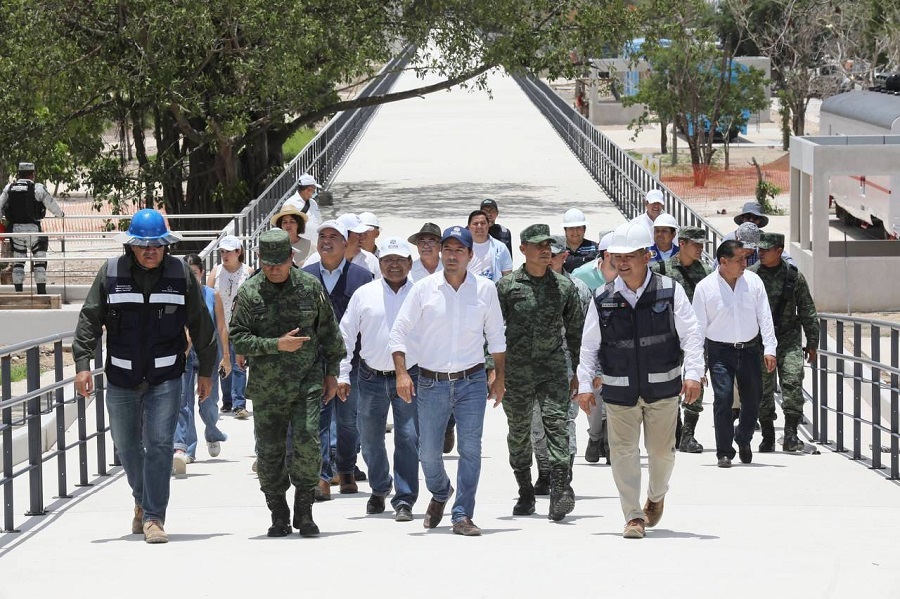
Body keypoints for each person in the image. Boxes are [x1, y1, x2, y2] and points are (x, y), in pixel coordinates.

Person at [72, 209, 216, 544]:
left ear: (166, 246)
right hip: (122, 376)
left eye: (157, 245)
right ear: (131, 246)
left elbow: (201, 324)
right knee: (125, 445)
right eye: (143, 245)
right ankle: (141, 498)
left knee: (160, 445)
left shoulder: (180, 274)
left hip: (166, 376)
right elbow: (90, 320)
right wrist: (82, 364)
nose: (150, 251)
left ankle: (153, 516)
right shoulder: (110, 273)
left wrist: (206, 372)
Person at [575, 221, 704, 539]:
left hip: (662, 390)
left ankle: (656, 496)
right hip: (619, 392)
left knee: (662, 454)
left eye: (629, 255)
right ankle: (633, 516)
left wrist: (693, 375)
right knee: (622, 454)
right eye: (616, 256)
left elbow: (691, 334)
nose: (621, 262)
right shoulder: (602, 297)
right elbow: (589, 345)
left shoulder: (670, 290)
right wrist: (583, 385)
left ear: (646, 255)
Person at [389, 225, 506, 536]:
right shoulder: (423, 289)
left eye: (459, 250)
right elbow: (398, 333)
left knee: (471, 448)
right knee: (427, 453)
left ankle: (462, 514)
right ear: (441, 253)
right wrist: (401, 373)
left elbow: (496, 337)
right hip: (430, 383)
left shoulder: (485, 290)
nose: (452, 255)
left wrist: (499, 376)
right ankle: (441, 491)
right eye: (448, 249)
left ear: (470, 255)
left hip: (471, 382)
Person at [230, 229, 346, 537]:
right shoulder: (250, 292)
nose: (274, 269)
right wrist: (274, 344)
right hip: (267, 388)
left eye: (279, 263)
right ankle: (278, 512)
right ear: (260, 260)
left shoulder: (310, 287)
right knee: (269, 451)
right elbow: (237, 337)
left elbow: (330, 333)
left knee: (308, 441)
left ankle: (304, 509)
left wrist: (332, 373)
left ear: (290, 258)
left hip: (306, 381)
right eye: (268, 264)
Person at [497, 225, 584, 521]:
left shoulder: (563, 287)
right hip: (516, 372)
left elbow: (576, 334)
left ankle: (560, 488)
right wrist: (492, 371)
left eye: (548, 245)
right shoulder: (507, 287)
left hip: (552, 369)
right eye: (538, 245)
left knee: (557, 426)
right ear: (523, 249)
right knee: (519, 433)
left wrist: (579, 372)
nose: (545, 250)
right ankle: (525, 491)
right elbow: (493, 333)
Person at [338, 237, 420, 522]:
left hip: (411, 376)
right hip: (371, 376)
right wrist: (342, 373)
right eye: (387, 260)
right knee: (371, 439)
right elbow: (346, 335)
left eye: (399, 260)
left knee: (408, 437)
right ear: (379, 263)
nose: (394, 265)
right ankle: (379, 487)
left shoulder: (422, 292)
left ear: (410, 263)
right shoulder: (364, 294)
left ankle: (405, 498)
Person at [303, 220, 373, 500]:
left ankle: (345, 469)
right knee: (317, 420)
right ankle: (321, 475)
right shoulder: (305, 276)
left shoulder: (362, 277)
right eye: (322, 236)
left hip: (352, 363)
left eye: (334, 236)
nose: (327, 241)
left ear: (347, 244)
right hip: (314, 362)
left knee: (347, 421)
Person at [692, 239, 777, 468]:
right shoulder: (705, 288)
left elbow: (765, 316)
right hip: (719, 351)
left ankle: (743, 438)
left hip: (749, 349)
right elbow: (697, 329)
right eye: (740, 259)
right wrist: (696, 366)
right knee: (723, 399)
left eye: (746, 258)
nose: (745, 263)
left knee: (753, 400)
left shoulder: (754, 282)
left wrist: (770, 348)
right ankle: (724, 452)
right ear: (723, 261)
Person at [749, 232, 819, 453]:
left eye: (766, 249)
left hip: (788, 339)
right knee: (763, 389)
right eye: (760, 248)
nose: (761, 252)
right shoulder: (751, 276)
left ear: (779, 251)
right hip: (760, 341)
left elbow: (807, 309)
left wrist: (813, 341)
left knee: (793, 382)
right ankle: (768, 435)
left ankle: (790, 434)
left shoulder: (793, 277)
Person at [651, 226, 713, 454]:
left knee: (696, 379)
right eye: (696, 244)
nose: (700, 249)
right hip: (666, 336)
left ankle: (688, 435)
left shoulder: (705, 271)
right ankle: (674, 431)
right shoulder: (662, 269)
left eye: (702, 245)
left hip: (695, 336)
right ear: (683, 243)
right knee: (669, 384)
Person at [173, 255, 231, 474]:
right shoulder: (177, 296)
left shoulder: (211, 295)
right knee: (182, 401)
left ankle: (212, 431)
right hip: (186, 355)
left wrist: (226, 356)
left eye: (194, 271)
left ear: (201, 273)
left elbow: (222, 328)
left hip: (208, 354)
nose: (191, 275)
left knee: (208, 403)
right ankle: (184, 449)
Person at [0, 161, 65, 294]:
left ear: (19, 174)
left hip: (15, 232)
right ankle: (41, 293)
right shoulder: (38, 188)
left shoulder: (9, 188)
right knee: (40, 262)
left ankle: (18, 293)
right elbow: (52, 205)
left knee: (18, 264)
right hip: (34, 230)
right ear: (32, 174)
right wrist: (61, 215)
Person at [207, 235, 252, 418]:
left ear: (238, 252)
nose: (225, 255)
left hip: (241, 324)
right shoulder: (216, 271)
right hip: (220, 323)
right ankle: (227, 401)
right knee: (224, 361)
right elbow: (208, 296)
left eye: (229, 252)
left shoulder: (248, 272)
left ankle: (239, 403)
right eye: (222, 252)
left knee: (239, 363)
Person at [304, 213, 380, 277]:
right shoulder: (315, 260)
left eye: (363, 234)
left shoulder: (371, 262)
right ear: (344, 236)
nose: (363, 239)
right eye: (359, 234)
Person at [466, 209, 513, 282]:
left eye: (483, 223)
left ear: (488, 225)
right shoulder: (462, 247)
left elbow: (507, 276)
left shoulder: (500, 247)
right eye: (475, 223)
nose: (479, 226)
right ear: (469, 227)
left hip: (492, 291)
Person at [284, 173, 324, 241]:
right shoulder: (289, 204)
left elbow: (318, 222)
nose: (315, 192)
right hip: (299, 246)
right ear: (309, 189)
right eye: (314, 189)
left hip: (314, 244)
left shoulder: (313, 203)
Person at [561, 208, 598, 273]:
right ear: (565, 230)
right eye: (571, 228)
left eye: (578, 227)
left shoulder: (594, 247)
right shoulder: (559, 249)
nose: (575, 232)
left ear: (584, 229)